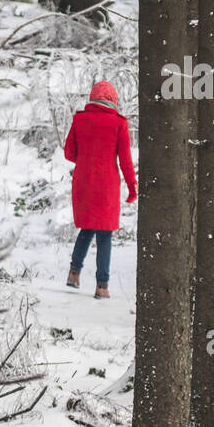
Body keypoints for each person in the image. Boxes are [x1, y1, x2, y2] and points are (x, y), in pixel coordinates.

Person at [63, 80, 137, 298]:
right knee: (104, 234)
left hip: (84, 181)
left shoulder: (80, 119)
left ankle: (73, 274)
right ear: (113, 100)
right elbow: (125, 160)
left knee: (86, 228)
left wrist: (85, 159)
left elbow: (69, 153)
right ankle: (102, 287)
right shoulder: (119, 123)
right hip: (107, 185)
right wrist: (132, 187)